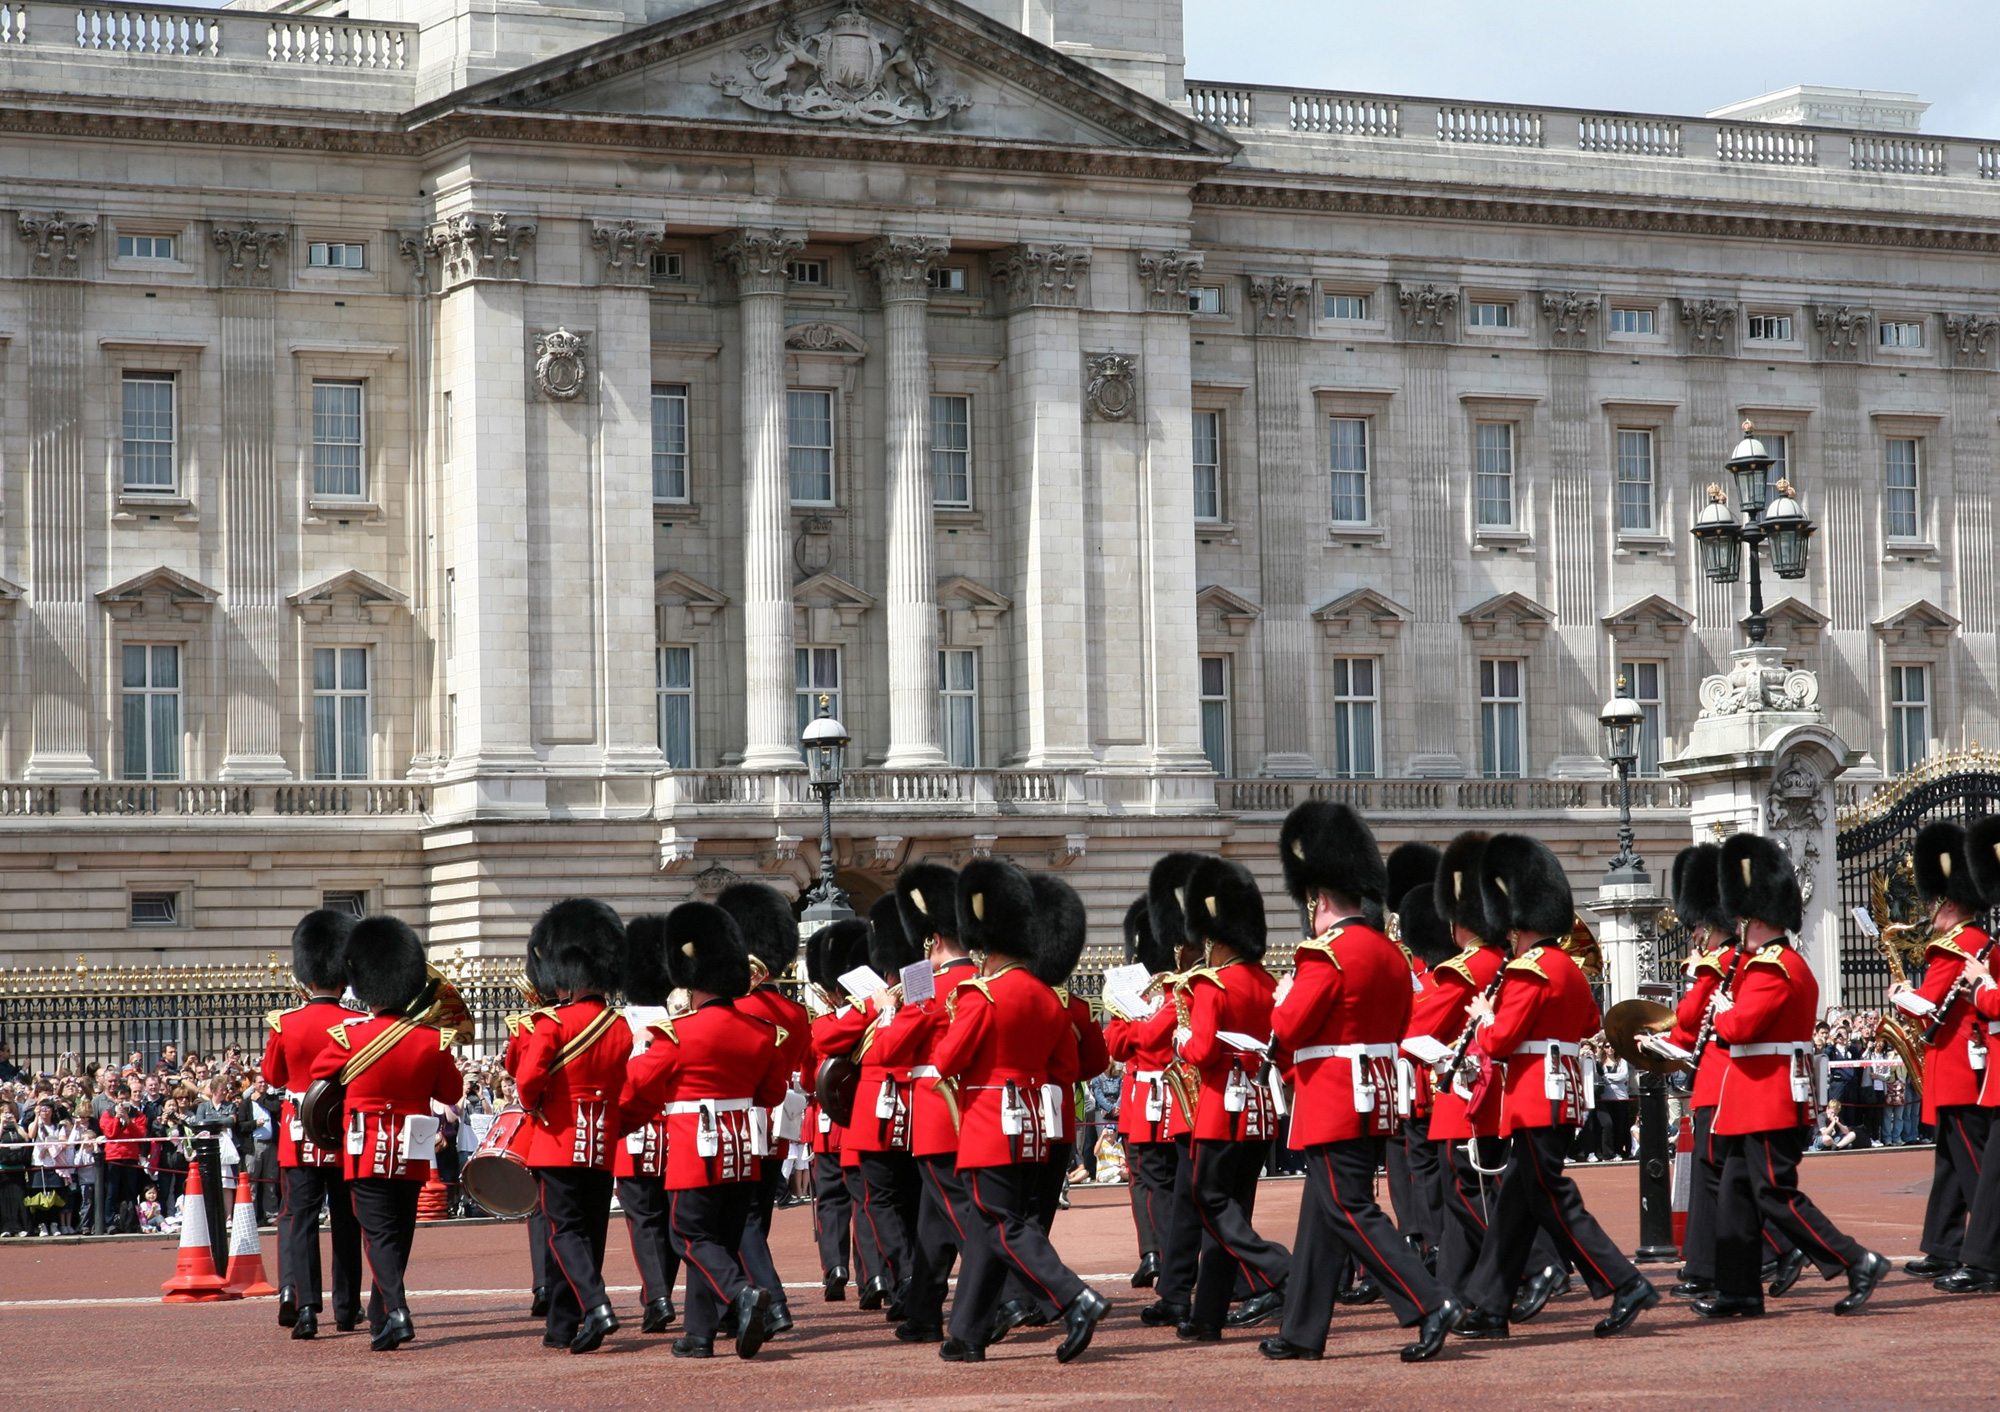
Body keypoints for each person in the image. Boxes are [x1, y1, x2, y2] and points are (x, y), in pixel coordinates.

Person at [1260, 800, 1461, 1364]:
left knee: (1349, 1209)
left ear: (1320, 901)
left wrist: (1283, 1000)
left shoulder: (1327, 955)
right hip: (1373, 1092)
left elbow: (1288, 1025)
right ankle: (1301, 1331)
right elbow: (1401, 1027)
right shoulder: (1391, 956)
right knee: (1321, 1217)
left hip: (1330, 1096)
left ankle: (1430, 1303)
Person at [1455, 833, 1657, 1340]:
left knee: (1551, 1197)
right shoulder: (1565, 967)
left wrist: (1484, 1015)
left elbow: (1500, 1040)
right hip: (1560, 1092)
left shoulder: (1529, 970)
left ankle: (1625, 1281)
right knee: (1514, 1208)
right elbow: (1590, 1021)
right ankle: (1490, 1305)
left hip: (1532, 1098)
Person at [1692, 833, 1889, 1320]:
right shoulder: (1780, 964)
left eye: (1742, 920)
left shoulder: (1771, 968)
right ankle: (1738, 1291)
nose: (1737, 928)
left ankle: (1856, 1259)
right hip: (1753, 1097)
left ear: (1757, 919)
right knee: (1738, 1197)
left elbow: (1739, 1028)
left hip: (1766, 1097)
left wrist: (1721, 1006)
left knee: (1773, 1193)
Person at [928, 860, 1109, 1364]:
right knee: (991, 1227)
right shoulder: (1049, 999)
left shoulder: (980, 995)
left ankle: (1075, 1297)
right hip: (1034, 1123)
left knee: (1002, 1222)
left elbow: (947, 1060)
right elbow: (1068, 1066)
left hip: (988, 1121)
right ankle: (967, 1333)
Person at [617, 902, 789, 1360]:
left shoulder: (677, 1033)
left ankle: (743, 1294)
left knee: (688, 1235)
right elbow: (771, 1094)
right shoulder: (760, 1031)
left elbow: (639, 1088)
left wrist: (619, 1122)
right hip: (742, 1149)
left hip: (695, 1147)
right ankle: (699, 1334)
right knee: (720, 1239)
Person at [306, 914, 465, 1351]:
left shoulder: (349, 1037)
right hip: (412, 1150)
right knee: (400, 1233)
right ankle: (381, 1313)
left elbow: (318, 1086)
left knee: (377, 1235)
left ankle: (396, 1311)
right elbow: (452, 1090)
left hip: (365, 1146)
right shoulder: (431, 1040)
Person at [1172, 856, 1291, 1342]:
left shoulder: (1211, 983)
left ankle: (1280, 1269)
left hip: (1222, 1108)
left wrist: (1179, 1038)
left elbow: (1200, 1051)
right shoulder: (1267, 982)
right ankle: (1208, 1318)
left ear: (1215, 937)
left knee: (1208, 1201)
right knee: (1232, 1210)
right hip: (1262, 1110)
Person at [513, 898, 632, 1355]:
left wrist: (533, 1101)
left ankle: (597, 1305)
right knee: (590, 1233)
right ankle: (564, 1324)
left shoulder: (552, 1023)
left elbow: (527, 1081)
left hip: (558, 1140)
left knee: (564, 1233)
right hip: (601, 1141)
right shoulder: (619, 1025)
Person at [871, 862, 974, 1344]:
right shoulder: (979, 978)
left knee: (964, 1223)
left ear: (931, 939)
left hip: (936, 1114)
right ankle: (926, 1313)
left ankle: (1011, 1295)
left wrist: (889, 1013)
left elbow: (888, 1051)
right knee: (933, 1226)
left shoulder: (928, 985)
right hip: (968, 1111)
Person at [1892, 821, 1991, 1278]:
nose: (1930, 912)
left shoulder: (1954, 946)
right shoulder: (1972, 941)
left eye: (1934, 903)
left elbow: (1925, 1007)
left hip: (1958, 1064)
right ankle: (1944, 1243)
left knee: (1969, 1162)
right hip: (1957, 1061)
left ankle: (1983, 1248)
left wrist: (1898, 996)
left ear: (1950, 903)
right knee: (1950, 1161)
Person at [261, 909, 365, 1338]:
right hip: (342, 1131)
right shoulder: (357, 1023)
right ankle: (345, 1307)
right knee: (346, 1218)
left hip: (299, 1132)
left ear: (306, 976)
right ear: (343, 976)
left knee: (298, 1217)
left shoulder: (285, 1023)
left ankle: (305, 1305)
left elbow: (273, 1077)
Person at [717, 881, 811, 1339]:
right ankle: (738, 1303)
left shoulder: (738, 1006)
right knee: (759, 1214)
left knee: (742, 1218)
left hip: (742, 1119)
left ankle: (771, 1301)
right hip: (780, 1124)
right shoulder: (795, 1013)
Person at [841, 893, 927, 1318]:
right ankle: (903, 1281)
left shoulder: (917, 1000)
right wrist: (873, 1007)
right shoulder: (881, 1001)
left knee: (889, 1201)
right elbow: (826, 1041)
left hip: (896, 1112)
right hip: (898, 1113)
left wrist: (886, 1012)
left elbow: (890, 1051)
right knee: (893, 1202)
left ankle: (910, 1278)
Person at [1934, 815, 2000, 1291]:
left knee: (1987, 1170)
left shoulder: (1970, 943)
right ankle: (1973, 1254)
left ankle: (1982, 1258)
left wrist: (1980, 989)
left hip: (1975, 1059)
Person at [611, 914, 682, 1335]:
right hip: (676, 1135)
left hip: (635, 1133)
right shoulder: (681, 1024)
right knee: (672, 1217)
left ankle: (657, 1295)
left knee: (644, 1219)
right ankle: (661, 1292)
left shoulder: (620, 1028)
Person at [1103, 893, 1178, 1294]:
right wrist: (1130, 1024)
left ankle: (1162, 1253)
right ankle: (1151, 1253)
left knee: (1153, 1178)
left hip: (1158, 1094)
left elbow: (1136, 1040)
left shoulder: (1171, 993)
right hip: (1146, 1099)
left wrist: (1134, 1027)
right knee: (1143, 1178)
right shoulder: (1154, 993)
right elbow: (1115, 1046)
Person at [804, 918, 874, 1302]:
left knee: (831, 1201)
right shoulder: (873, 1017)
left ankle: (835, 1266)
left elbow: (806, 1077)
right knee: (864, 1201)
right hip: (859, 1123)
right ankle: (869, 1275)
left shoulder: (829, 1023)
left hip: (829, 1125)